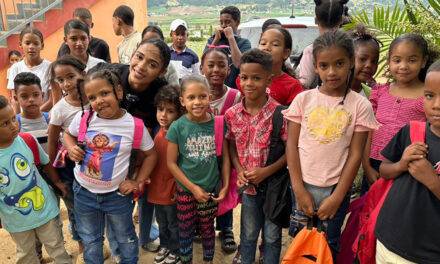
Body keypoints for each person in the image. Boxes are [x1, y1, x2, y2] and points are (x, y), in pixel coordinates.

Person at [284, 30, 379, 260]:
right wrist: (298, 188)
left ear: (350, 63)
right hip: (302, 186)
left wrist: (337, 198)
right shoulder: (303, 100)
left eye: (339, 63)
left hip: (336, 189)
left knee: (329, 246)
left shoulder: (360, 105)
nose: (332, 72)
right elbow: (292, 146)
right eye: (324, 65)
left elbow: (356, 154)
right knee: (300, 245)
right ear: (316, 67)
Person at [63, 69, 157, 264]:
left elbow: (150, 155)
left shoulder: (134, 125)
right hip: (83, 193)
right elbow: (67, 135)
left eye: (104, 93)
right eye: (92, 97)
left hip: (118, 196)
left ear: (119, 92)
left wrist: (137, 181)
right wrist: (71, 147)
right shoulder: (85, 118)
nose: (99, 100)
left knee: (125, 238)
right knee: (90, 240)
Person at [95, 38, 171, 252]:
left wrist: (141, 166)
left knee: (145, 188)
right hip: (110, 149)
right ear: (133, 53)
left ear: (162, 71)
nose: (141, 66)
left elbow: (161, 129)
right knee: (113, 197)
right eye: (139, 57)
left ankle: (145, 236)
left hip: (144, 149)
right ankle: (115, 242)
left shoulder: (161, 91)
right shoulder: (111, 75)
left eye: (152, 64)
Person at [225, 49, 287, 264]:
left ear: (268, 79)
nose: (249, 83)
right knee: (248, 236)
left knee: (271, 237)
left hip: (274, 189)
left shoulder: (280, 114)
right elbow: (231, 145)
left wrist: (266, 172)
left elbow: (291, 153)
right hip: (249, 190)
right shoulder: (232, 114)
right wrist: (239, 170)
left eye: (256, 78)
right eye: (244, 77)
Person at [375, 59, 440, 263]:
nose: (436, 105)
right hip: (387, 241)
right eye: (429, 96)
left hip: (427, 254)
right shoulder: (412, 131)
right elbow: (384, 170)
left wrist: (432, 181)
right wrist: (401, 164)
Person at [167, 75, 230, 264]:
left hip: (210, 191)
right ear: (182, 101)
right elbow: (171, 163)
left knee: (207, 228)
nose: (197, 102)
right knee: (185, 229)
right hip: (186, 190)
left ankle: (208, 260)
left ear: (209, 97)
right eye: (191, 97)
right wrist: (193, 188)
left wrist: (225, 186)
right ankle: (186, 260)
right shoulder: (177, 127)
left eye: (202, 96)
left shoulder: (219, 124)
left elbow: (226, 158)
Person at [0, 95, 71, 264]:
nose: (13, 125)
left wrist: (57, 182)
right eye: (4, 123)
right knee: (26, 254)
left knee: (57, 248)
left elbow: (46, 163)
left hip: (44, 209)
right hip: (15, 218)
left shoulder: (26, 140)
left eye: (12, 119)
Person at [364, 33, 431, 192]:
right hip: (374, 161)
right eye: (397, 60)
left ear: (424, 61)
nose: (403, 66)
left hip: (406, 165)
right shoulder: (380, 92)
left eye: (412, 60)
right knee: (369, 209)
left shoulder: (427, 96)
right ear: (389, 62)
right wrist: (366, 166)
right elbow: (368, 130)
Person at [47, 55, 90, 255]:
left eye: (71, 76)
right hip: (69, 169)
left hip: (93, 165)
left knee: (92, 207)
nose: (66, 83)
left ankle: (94, 241)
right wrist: (55, 179)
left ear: (83, 74)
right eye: (61, 80)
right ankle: (82, 245)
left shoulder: (95, 100)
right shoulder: (59, 110)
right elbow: (52, 145)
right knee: (75, 209)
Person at [201, 47, 240, 253]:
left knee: (225, 190)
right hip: (201, 155)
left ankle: (226, 229)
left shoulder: (235, 96)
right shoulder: (195, 94)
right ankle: (203, 227)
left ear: (229, 69)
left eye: (221, 65)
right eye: (211, 65)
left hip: (225, 156)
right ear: (201, 68)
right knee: (203, 192)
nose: (216, 69)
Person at [148, 85, 183, 264]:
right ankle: (165, 245)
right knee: (161, 220)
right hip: (156, 186)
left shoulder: (180, 134)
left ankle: (176, 249)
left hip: (171, 187)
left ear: (179, 113)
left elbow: (182, 165)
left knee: (173, 222)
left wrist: (179, 187)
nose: (163, 115)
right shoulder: (158, 131)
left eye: (170, 111)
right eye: (160, 109)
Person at [236, 25, 303, 106]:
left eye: (275, 44)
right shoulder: (244, 79)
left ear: (286, 53)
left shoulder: (292, 86)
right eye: (263, 43)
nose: (267, 48)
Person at [297, 0, 349, 89]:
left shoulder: (311, 50)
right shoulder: (350, 48)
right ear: (341, 20)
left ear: (316, 20)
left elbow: (304, 84)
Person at [204, 6, 251, 89]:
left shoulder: (244, 43)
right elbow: (204, 64)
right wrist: (215, 40)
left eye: (227, 22)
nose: (223, 26)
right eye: (221, 22)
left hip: (235, 90)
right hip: (213, 90)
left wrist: (231, 38)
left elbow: (240, 64)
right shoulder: (213, 40)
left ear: (237, 22)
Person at [7, 27, 52, 113]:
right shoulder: (15, 68)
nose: (31, 47)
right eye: (27, 43)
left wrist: (35, 114)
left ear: (42, 45)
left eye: (36, 43)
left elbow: (52, 99)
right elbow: (15, 99)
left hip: (44, 118)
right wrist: (19, 119)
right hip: (23, 120)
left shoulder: (50, 67)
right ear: (20, 44)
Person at [349, 24, 380, 97]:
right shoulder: (334, 92)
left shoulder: (372, 96)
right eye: (362, 59)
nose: (369, 65)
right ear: (349, 59)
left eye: (374, 61)